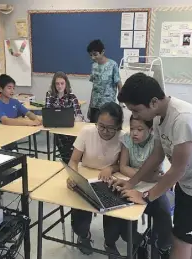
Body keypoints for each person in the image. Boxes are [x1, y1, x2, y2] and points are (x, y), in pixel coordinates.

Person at [113, 73, 192, 259]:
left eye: (136, 111)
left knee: (181, 241)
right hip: (189, 181)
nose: (135, 116)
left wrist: (145, 197)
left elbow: (177, 169)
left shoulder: (183, 120)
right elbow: (157, 154)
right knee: (184, 238)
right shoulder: (158, 116)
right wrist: (132, 183)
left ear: (153, 102)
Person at [66, 102, 125, 258]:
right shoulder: (87, 132)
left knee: (113, 213)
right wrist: (72, 175)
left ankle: (110, 243)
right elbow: (73, 160)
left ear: (118, 126)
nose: (105, 131)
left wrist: (110, 168)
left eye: (110, 128)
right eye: (101, 126)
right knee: (80, 214)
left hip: (109, 181)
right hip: (86, 178)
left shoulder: (123, 137)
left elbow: (122, 165)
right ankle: (83, 236)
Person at [119, 115, 172, 259]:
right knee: (124, 214)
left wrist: (148, 176)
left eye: (140, 129)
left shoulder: (156, 142)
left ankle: (163, 246)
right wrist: (147, 175)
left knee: (164, 211)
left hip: (154, 187)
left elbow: (156, 174)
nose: (134, 133)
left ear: (150, 129)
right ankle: (140, 242)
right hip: (133, 183)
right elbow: (123, 167)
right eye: (132, 129)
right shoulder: (126, 139)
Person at [45, 71, 84, 163]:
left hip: (71, 129)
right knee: (62, 143)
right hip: (58, 130)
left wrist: (73, 120)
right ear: (54, 85)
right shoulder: (50, 95)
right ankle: (68, 161)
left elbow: (79, 115)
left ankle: (72, 160)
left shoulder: (72, 96)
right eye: (57, 84)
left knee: (73, 144)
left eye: (62, 83)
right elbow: (47, 112)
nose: (60, 86)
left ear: (66, 84)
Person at [87, 39, 122, 123]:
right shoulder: (94, 66)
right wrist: (89, 106)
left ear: (102, 52)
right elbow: (94, 87)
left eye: (95, 54)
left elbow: (119, 84)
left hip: (108, 105)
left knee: (106, 128)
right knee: (93, 130)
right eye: (91, 55)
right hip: (95, 106)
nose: (93, 57)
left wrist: (121, 104)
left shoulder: (113, 64)